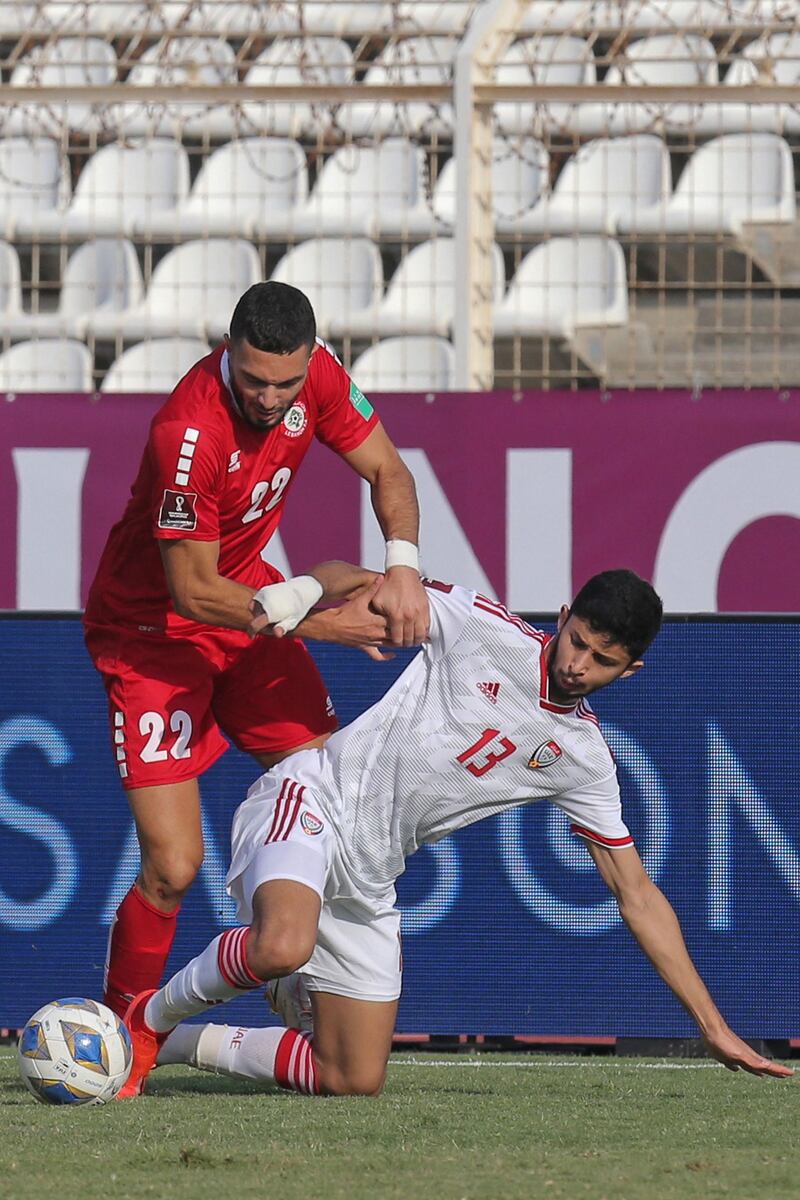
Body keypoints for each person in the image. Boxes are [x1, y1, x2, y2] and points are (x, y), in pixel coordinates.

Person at [118, 563, 793, 1098]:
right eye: (577, 640)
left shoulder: (584, 760)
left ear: (630, 670)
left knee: (351, 1077)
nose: (577, 664)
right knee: (282, 945)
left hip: (370, 877)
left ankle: (181, 1044)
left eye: (601, 661)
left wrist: (714, 1027)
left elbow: (637, 895)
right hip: (310, 797)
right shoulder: (480, 624)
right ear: (561, 619)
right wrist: (309, 595)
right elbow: (364, 579)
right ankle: (147, 1022)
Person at [83, 282, 429, 1019]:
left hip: (253, 610)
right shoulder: (188, 434)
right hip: (155, 638)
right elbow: (193, 594)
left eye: (286, 383)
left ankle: (297, 977)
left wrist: (402, 564)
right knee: (174, 868)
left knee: (330, 797)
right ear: (226, 351)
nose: (270, 399)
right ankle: (121, 1031)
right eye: (253, 380)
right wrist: (323, 621)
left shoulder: (321, 377)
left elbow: (389, 471)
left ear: (311, 362)